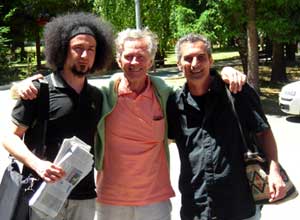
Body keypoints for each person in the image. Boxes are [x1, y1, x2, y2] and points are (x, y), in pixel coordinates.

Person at [11, 28, 246, 220]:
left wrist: (225, 72)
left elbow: (198, 85)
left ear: (151, 61)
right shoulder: (102, 93)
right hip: (109, 201)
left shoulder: (166, 95)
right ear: (118, 59)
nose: (134, 62)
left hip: (155, 202)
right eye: (128, 56)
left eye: (141, 56)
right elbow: (65, 85)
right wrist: (21, 85)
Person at [2, 12, 113, 220]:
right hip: (42, 194)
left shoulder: (97, 97)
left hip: (84, 196)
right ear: (63, 50)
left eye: (91, 49)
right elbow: (9, 138)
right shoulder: (38, 90)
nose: (84, 55)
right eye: (78, 48)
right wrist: (37, 164)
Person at [167, 33, 286, 220]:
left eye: (201, 57)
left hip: (239, 204)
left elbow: (263, 133)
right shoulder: (174, 103)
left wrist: (274, 172)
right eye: (188, 58)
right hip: (196, 207)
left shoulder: (237, 91)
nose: (195, 63)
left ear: (211, 60)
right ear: (179, 65)